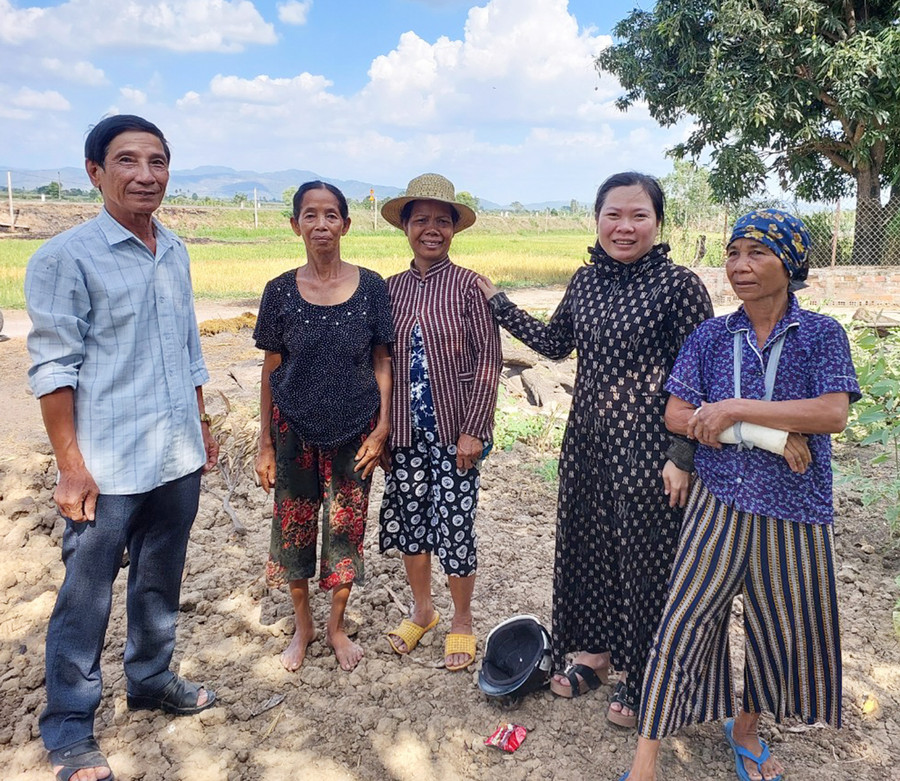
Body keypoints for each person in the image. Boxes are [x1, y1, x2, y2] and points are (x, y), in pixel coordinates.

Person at [619, 210, 861, 781]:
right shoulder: (710, 337)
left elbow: (832, 413)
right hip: (719, 500)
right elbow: (677, 414)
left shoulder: (821, 334)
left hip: (794, 508)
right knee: (683, 621)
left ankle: (746, 729)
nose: (740, 266)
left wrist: (732, 408)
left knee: (778, 629)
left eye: (757, 252)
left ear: (790, 262)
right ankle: (645, 761)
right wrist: (761, 433)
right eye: (733, 253)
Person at [476, 172, 713, 724]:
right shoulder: (586, 281)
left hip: (651, 448)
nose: (624, 227)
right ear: (597, 220)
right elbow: (557, 344)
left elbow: (702, 376)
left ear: (658, 222)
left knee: (646, 559)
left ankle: (647, 673)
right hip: (588, 442)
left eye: (639, 215)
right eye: (613, 215)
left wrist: (682, 456)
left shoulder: (679, 287)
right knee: (590, 547)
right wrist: (498, 303)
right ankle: (597, 654)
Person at [25, 115, 219, 781]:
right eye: (128, 161)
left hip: (175, 454)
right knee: (85, 596)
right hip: (106, 466)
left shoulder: (175, 249)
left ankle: (151, 678)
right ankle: (70, 725)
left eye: (157, 161)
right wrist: (71, 467)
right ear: (95, 172)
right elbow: (53, 369)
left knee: (160, 579)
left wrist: (201, 425)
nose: (145, 175)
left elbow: (189, 349)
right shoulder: (66, 258)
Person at [254, 181, 393, 674]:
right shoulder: (279, 291)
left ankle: (335, 627)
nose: (321, 225)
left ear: (346, 225)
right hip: (292, 429)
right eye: (310, 215)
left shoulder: (372, 287)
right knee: (292, 527)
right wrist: (264, 442)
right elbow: (271, 368)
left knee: (345, 529)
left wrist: (382, 428)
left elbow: (382, 361)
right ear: (295, 225)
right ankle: (303, 626)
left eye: (331, 215)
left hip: (356, 430)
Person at [379, 173, 502, 671]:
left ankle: (462, 619)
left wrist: (474, 429)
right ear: (406, 227)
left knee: (455, 526)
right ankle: (423, 611)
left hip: (456, 434)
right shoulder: (389, 289)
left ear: (454, 229)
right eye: (421, 220)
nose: (432, 229)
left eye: (442, 221)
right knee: (412, 523)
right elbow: (380, 363)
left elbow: (489, 360)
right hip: (405, 433)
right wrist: (381, 429)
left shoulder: (470, 286)